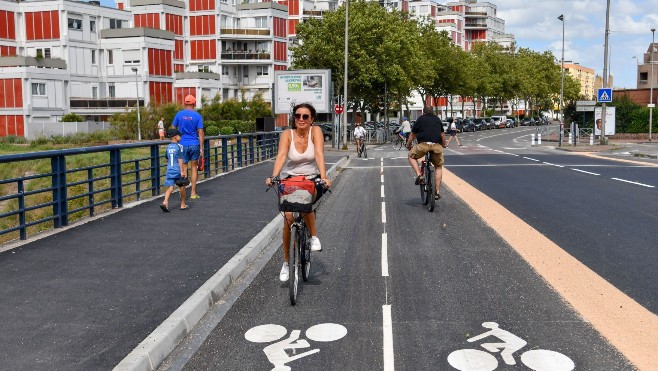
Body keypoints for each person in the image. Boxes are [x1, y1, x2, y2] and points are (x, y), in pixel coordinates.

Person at [266, 103, 332, 282]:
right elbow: (281, 156)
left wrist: (324, 177)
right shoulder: (287, 134)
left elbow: (319, 153)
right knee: (288, 217)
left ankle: (314, 237)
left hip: (312, 178)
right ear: (293, 118)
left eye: (305, 116)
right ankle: (287, 263)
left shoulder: (315, 131)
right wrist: (273, 176)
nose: (301, 119)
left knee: (305, 203)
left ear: (312, 119)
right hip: (290, 179)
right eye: (297, 116)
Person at [406, 106, 446, 200]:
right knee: (438, 167)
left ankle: (419, 175)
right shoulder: (437, 119)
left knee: (411, 156)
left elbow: (412, 134)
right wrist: (443, 144)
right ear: (433, 112)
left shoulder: (420, 119)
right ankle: (436, 192)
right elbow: (442, 134)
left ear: (423, 112)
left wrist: (408, 144)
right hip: (436, 145)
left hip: (423, 145)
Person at [172, 95, 204, 199]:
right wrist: (201, 148)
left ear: (185, 103)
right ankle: (193, 193)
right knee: (194, 168)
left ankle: (183, 194)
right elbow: (200, 132)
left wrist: (175, 140)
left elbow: (173, 128)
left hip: (182, 144)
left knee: (183, 168)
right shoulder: (197, 116)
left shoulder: (179, 114)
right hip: (194, 144)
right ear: (194, 103)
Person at [160, 129, 188, 212]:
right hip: (177, 170)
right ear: (175, 137)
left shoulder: (168, 147)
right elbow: (180, 159)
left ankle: (165, 202)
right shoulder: (179, 146)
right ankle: (182, 204)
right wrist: (182, 171)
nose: (181, 137)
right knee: (182, 187)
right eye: (179, 135)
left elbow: (167, 157)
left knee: (170, 188)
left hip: (169, 170)